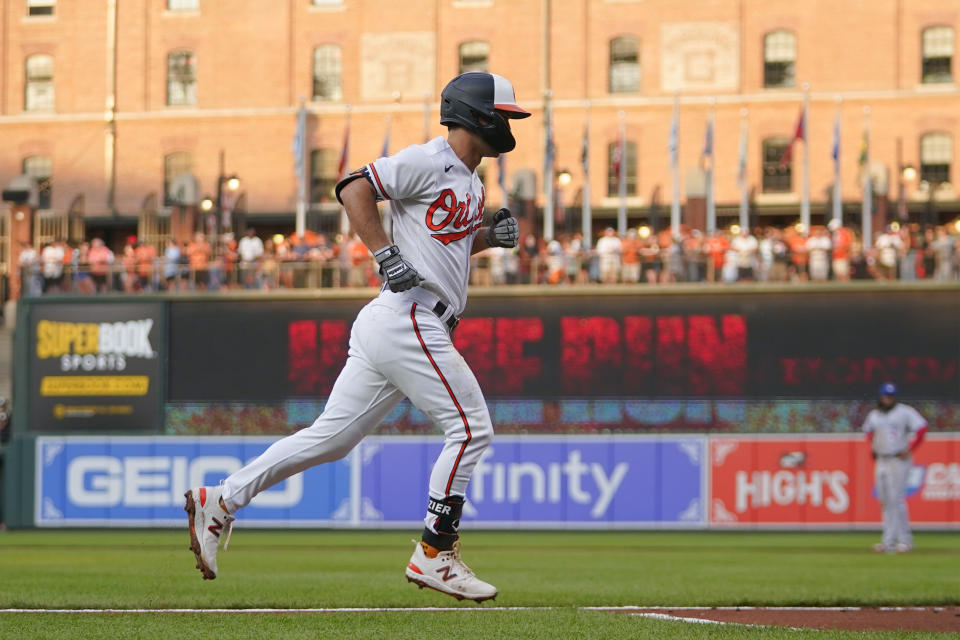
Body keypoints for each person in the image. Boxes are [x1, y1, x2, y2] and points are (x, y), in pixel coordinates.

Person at [185, 71, 530, 602]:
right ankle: (435, 553)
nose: (509, 125)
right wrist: (383, 253)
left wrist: (485, 238)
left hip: (397, 319)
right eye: (504, 115)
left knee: (332, 439)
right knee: (471, 429)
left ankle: (221, 500)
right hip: (409, 316)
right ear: (477, 116)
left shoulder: (471, 179)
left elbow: (443, 249)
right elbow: (353, 187)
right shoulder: (429, 159)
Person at [862, 382, 928, 554]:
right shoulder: (875, 414)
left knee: (897, 499)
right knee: (884, 500)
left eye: (891, 396)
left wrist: (911, 449)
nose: (888, 399)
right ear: (881, 396)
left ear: (895, 397)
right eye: (885, 396)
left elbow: (922, 428)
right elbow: (868, 432)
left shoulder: (904, 412)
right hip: (881, 459)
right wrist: (873, 447)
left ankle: (905, 540)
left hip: (898, 459)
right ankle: (888, 541)